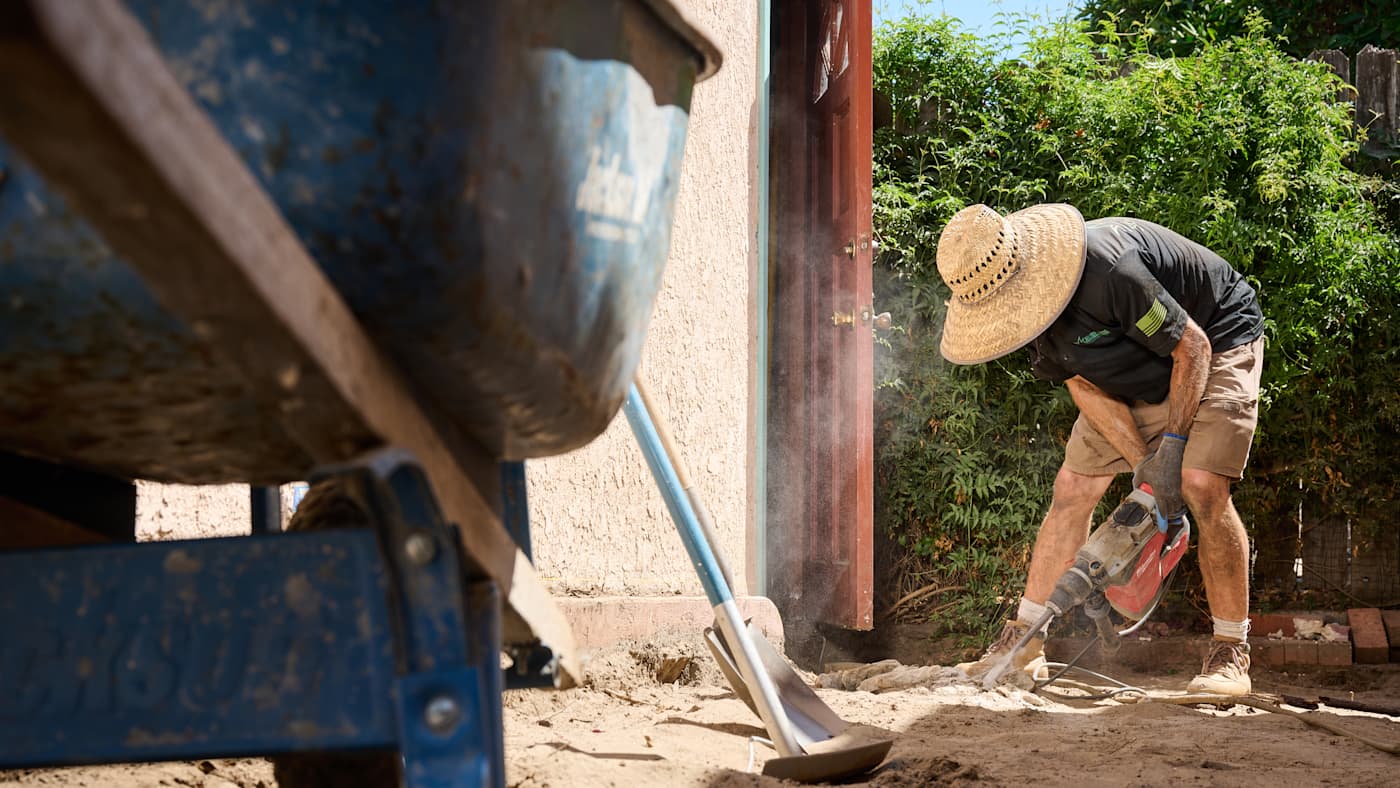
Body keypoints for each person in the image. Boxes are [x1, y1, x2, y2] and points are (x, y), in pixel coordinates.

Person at [935, 203, 1265, 696]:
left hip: (1215, 340)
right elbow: (1082, 383)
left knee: (1201, 486)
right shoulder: (1019, 315)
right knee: (1072, 487)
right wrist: (1144, 464)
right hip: (1131, 371)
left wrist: (1173, 449)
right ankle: (1023, 644)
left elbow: (1190, 348)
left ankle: (1229, 651)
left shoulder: (1108, 271)